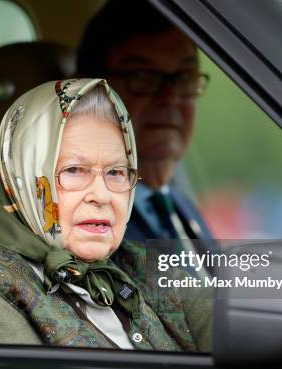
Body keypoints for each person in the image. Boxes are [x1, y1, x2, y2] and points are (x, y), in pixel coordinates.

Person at [0, 78, 212, 351]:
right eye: (74, 170)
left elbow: (240, 325)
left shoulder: (137, 266)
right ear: (23, 178)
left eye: (117, 173)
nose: (102, 196)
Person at [77, 0, 213, 244]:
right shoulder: (83, 225)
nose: (170, 97)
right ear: (89, 93)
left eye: (184, 77)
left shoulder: (177, 207)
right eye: (141, 76)